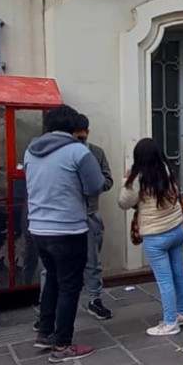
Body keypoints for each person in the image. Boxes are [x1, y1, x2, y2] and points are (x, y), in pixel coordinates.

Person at [23, 105, 105, 361]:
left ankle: (45, 332)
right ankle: (63, 345)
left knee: (53, 280)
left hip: (37, 227)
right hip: (68, 228)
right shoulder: (77, 151)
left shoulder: (31, 150)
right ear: (73, 127)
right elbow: (96, 186)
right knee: (70, 286)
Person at [118, 138, 183, 337]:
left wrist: (126, 180)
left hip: (155, 236)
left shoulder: (139, 179)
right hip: (176, 231)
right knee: (178, 274)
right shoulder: (167, 171)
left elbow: (123, 203)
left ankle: (169, 322)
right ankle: (182, 313)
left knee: (164, 280)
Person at [74, 118, 115, 322]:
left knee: (93, 261)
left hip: (90, 212)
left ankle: (94, 299)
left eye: (84, 133)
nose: (81, 137)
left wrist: (93, 182)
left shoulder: (96, 152)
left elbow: (108, 180)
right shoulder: (64, 154)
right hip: (68, 215)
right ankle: (50, 304)